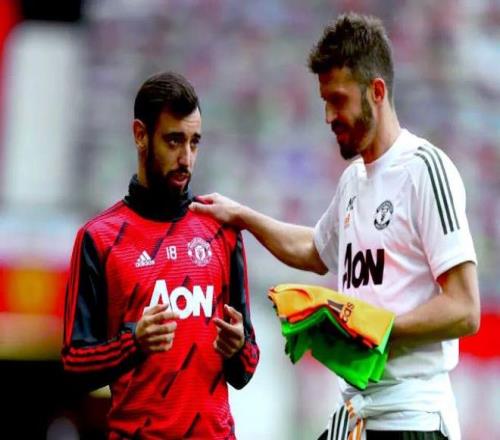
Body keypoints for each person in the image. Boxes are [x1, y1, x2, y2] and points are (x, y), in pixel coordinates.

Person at [190, 13, 480, 440]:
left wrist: (373, 329)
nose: (328, 115)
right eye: (324, 100)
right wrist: (243, 216)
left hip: (411, 418)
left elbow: (465, 309)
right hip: (359, 416)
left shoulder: (425, 169)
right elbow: (315, 250)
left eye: (338, 100)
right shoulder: (353, 181)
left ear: (376, 91)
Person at [62, 71, 259, 439]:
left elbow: (246, 367)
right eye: (174, 141)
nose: (187, 158)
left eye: (194, 142)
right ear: (140, 134)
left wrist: (237, 348)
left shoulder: (222, 229)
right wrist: (133, 343)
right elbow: (74, 364)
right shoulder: (99, 238)